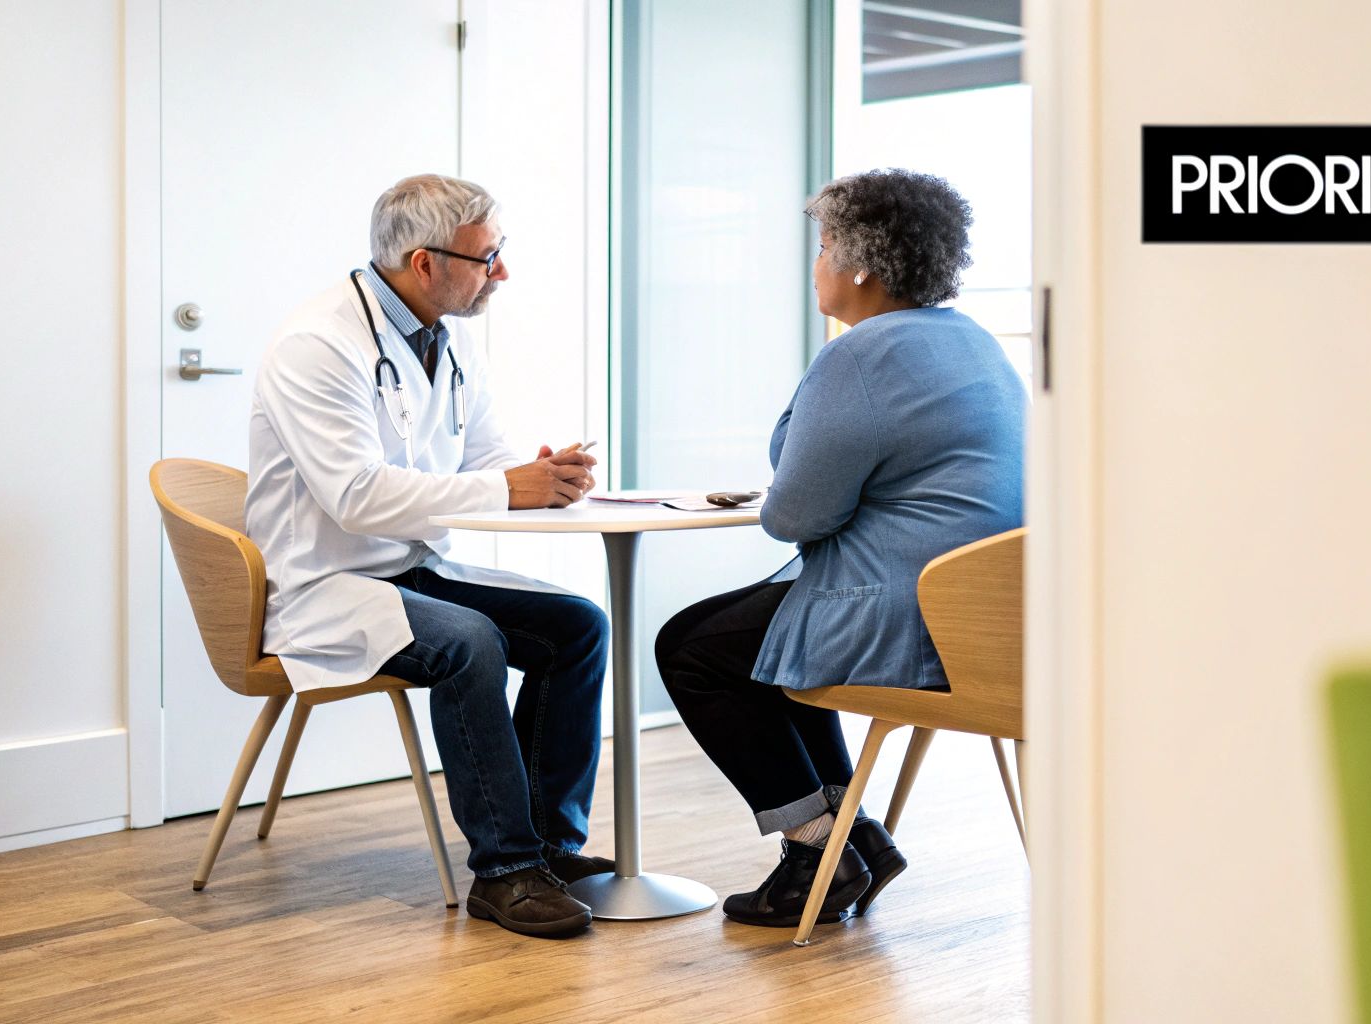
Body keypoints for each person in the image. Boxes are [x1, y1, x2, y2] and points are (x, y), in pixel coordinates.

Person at [655, 169, 1027, 928]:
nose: (817, 263)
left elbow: (793, 514)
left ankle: (815, 851)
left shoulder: (861, 356)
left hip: (907, 616)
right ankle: (855, 839)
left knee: (691, 649)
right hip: (985, 624)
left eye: (825, 246)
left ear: (861, 265)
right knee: (761, 641)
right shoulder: (971, 340)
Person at [246, 174, 612, 939]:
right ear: (424, 262)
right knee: (469, 641)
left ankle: (550, 846)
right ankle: (506, 871)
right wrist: (506, 488)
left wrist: (542, 479)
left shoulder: (449, 338)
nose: (502, 271)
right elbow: (355, 497)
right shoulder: (318, 345)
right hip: (326, 583)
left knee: (577, 625)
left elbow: (485, 458)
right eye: (487, 257)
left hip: (414, 570)